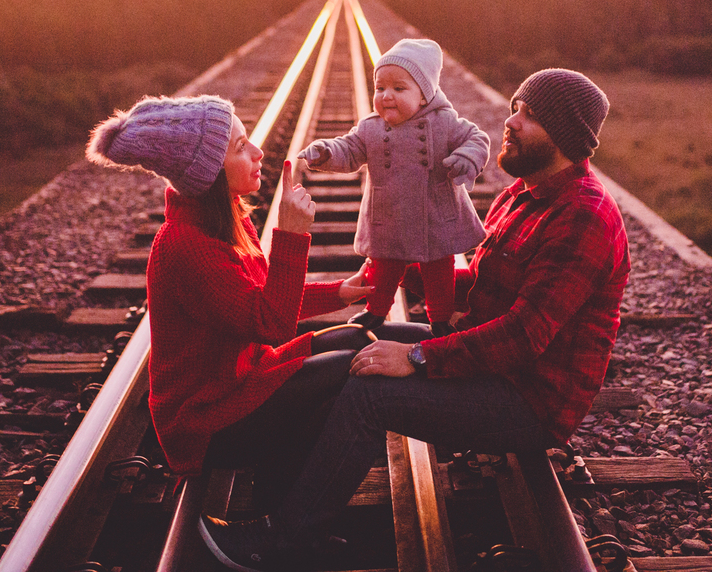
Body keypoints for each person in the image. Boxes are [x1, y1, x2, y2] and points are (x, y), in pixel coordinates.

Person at [199, 69, 632, 571]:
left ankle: (284, 543)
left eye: (529, 116)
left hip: (529, 399)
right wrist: (403, 266)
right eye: (516, 107)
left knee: (370, 394)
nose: (510, 122)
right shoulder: (524, 194)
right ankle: (291, 505)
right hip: (495, 366)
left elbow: (523, 335)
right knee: (361, 338)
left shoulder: (584, 216)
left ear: (565, 136)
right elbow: (486, 290)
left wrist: (418, 356)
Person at [87, 94, 414, 507]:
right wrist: (292, 236)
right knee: (351, 369)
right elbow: (272, 323)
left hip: (243, 382)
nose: (258, 152)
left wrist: (338, 292)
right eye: (241, 147)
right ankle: (287, 525)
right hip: (207, 422)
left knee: (358, 337)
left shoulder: (223, 218)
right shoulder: (186, 246)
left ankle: (282, 501)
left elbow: (258, 299)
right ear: (208, 173)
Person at [297, 38, 489, 337]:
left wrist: (467, 157)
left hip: (433, 212)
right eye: (380, 88)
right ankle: (376, 310)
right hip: (390, 212)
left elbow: (477, 138)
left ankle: (439, 317)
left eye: (399, 89)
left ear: (424, 95)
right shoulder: (371, 127)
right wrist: (325, 152)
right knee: (384, 264)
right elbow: (348, 149)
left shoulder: (444, 121)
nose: (386, 96)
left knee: (439, 268)